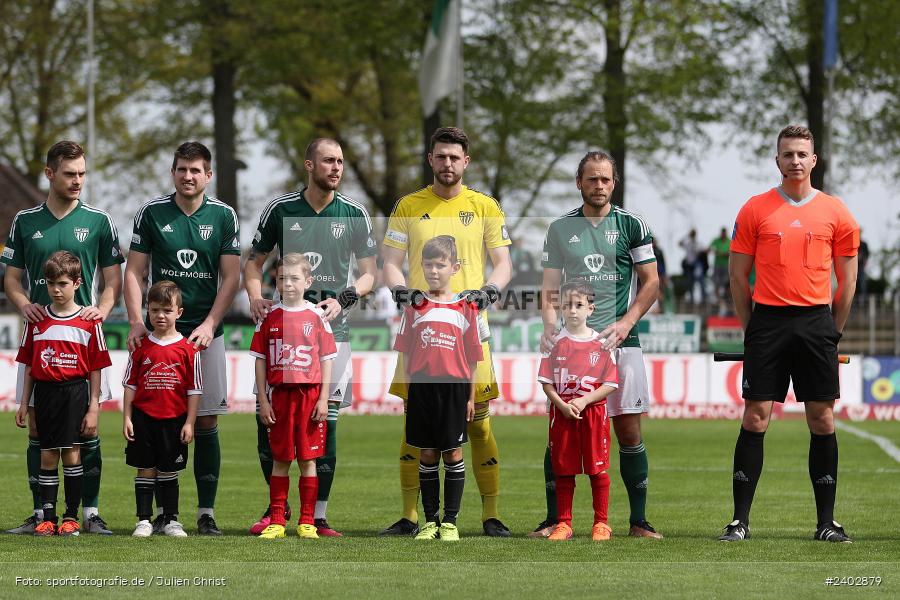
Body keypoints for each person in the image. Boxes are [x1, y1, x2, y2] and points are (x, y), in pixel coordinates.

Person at [719, 125, 859, 543]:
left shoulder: (837, 213)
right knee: (756, 417)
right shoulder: (754, 210)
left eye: (802, 154)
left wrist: (832, 331)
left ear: (814, 160)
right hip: (768, 323)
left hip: (817, 323)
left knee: (821, 418)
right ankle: (739, 522)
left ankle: (826, 524)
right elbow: (738, 276)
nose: (795, 160)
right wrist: (752, 327)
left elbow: (847, 281)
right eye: (787, 154)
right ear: (776, 160)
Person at [380, 126, 512, 537]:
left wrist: (490, 291)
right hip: (422, 330)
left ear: (466, 161)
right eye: (441, 156)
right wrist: (404, 293)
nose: (448, 163)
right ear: (430, 159)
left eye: (455, 157)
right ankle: (411, 516)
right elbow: (389, 262)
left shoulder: (485, 206)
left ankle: (489, 516)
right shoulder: (408, 206)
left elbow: (503, 263)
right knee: (415, 424)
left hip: (471, 330)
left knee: (480, 423)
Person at [244, 138, 376, 537]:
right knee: (270, 425)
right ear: (308, 164)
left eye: (340, 162)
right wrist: (255, 297)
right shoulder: (281, 209)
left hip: (333, 336)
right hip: (283, 337)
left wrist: (344, 299)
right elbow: (253, 263)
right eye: (328, 161)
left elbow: (370, 274)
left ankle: (317, 515)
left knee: (325, 425)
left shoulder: (354, 213)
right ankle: (276, 512)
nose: (336, 168)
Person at [536, 150, 662, 540]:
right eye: (591, 179)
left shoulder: (633, 225)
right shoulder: (560, 229)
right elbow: (550, 289)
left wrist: (627, 322)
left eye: (605, 179)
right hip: (574, 346)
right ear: (579, 182)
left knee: (628, 431)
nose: (599, 186)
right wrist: (551, 328)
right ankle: (555, 520)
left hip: (622, 343)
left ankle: (638, 521)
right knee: (562, 429)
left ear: (614, 182)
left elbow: (651, 281)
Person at [3, 141, 123, 536]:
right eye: (70, 173)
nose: (77, 180)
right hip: (40, 338)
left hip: (82, 337)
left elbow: (112, 279)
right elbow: (11, 278)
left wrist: (101, 312)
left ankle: (89, 512)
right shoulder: (24, 221)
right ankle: (42, 515)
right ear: (49, 173)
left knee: (88, 430)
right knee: (37, 429)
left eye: (82, 173)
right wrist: (24, 306)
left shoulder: (100, 220)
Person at [124, 141, 241, 535]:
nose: (188, 176)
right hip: (159, 338)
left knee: (205, 423)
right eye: (181, 169)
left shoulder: (224, 216)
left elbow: (231, 277)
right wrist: (137, 320)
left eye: (196, 170)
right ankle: (161, 514)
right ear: (173, 172)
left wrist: (209, 324)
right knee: (156, 420)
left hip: (207, 337)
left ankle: (205, 512)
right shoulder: (152, 213)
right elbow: (133, 272)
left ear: (208, 175)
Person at [393, 236, 487, 541]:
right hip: (422, 389)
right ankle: (430, 522)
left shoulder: (466, 308)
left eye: (441, 264)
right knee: (428, 453)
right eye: (429, 264)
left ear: (455, 267)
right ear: (421, 266)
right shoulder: (414, 307)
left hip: (455, 390)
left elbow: (473, 357)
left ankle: (450, 523)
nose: (434, 270)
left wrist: (471, 397)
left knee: (453, 453)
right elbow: (406, 353)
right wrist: (409, 393)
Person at [14, 251, 112, 536]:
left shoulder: (89, 321)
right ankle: (47, 517)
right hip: (44, 394)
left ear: (77, 283)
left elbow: (95, 368)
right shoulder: (36, 320)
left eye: (63, 283)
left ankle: (71, 517)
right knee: (47, 455)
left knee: (71, 453)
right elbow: (31, 366)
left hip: (74, 393)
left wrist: (93, 406)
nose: (56, 289)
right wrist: (23, 402)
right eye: (51, 283)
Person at [250, 254, 337, 539]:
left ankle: (307, 521)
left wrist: (324, 399)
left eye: (295, 278)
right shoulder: (268, 317)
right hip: (280, 398)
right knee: (281, 459)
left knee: (308, 461)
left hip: (310, 397)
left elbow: (326, 358)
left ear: (308, 281)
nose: (288, 284)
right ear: (276, 279)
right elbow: (260, 360)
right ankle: (277, 520)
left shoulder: (317, 317)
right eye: (283, 278)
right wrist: (263, 400)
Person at [538, 280, 618, 541]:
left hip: (593, 415)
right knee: (564, 469)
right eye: (567, 305)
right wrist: (561, 405)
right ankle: (564, 523)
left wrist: (584, 401)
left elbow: (611, 383)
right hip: (562, 415)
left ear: (590, 309)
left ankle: (601, 523)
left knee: (598, 469)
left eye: (579, 305)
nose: (572, 311)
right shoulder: (554, 343)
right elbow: (547, 383)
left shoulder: (601, 344)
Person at [123, 281, 201, 537]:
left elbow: (194, 389)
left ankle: (171, 520)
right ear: (148, 310)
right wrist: (127, 417)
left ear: (179, 312)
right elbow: (130, 384)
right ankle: (144, 520)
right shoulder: (140, 346)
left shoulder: (189, 349)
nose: (160, 316)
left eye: (167, 310)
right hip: (143, 417)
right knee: (145, 468)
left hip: (174, 419)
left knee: (169, 470)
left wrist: (190, 422)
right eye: (155, 310)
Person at [679, 228, 706, 304]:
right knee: (690, 283)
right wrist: (686, 236)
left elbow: (703, 251)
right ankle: (691, 300)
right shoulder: (687, 242)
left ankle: (702, 299)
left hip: (696, 265)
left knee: (700, 282)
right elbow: (679, 243)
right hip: (689, 265)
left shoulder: (698, 243)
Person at [709, 227, 731, 309]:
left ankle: (726, 299)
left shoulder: (729, 241)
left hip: (725, 265)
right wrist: (717, 252)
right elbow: (710, 249)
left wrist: (721, 253)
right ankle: (717, 300)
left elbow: (730, 252)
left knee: (726, 283)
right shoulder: (716, 240)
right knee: (716, 283)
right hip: (717, 265)